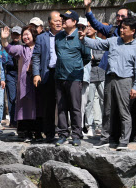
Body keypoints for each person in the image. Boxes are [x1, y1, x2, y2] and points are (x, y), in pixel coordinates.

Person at [81, 17, 136, 150]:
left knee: (124, 111)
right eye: (121, 27)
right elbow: (96, 44)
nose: (121, 30)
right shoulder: (114, 41)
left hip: (125, 80)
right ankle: (105, 138)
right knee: (107, 110)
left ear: (133, 31)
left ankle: (124, 140)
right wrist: (82, 38)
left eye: (124, 28)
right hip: (109, 78)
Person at [53, 10, 91, 146]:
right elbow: (59, 54)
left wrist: (75, 66)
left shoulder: (81, 37)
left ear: (74, 22)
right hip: (59, 76)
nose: (63, 21)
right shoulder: (58, 37)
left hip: (74, 77)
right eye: (63, 18)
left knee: (75, 107)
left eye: (67, 19)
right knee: (61, 106)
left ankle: (76, 134)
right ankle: (63, 133)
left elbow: (86, 57)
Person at [1, 25, 43, 142]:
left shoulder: (40, 47)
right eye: (23, 35)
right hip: (25, 83)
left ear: (33, 35)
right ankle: (27, 132)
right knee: (25, 108)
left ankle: (38, 132)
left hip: (39, 82)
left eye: (27, 34)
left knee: (38, 107)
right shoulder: (21, 49)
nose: (25, 37)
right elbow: (8, 48)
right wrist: (4, 39)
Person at [31, 11, 63, 141]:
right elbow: (36, 57)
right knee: (48, 105)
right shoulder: (41, 37)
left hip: (62, 74)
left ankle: (63, 132)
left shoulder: (65, 36)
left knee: (63, 104)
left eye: (60, 21)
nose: (59, 23)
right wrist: (36, 74)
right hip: (47, 73)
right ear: (49, 23)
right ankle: (49, 133)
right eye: (56, 21)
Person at [82, 22, 105, 137]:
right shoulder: (83, 42)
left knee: (104, 100)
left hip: (101, 74)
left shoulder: (100, 41)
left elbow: (104, 55)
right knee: (89, 102)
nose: (89, 28)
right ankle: (89, 126)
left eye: (91, 26)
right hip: (88, 75)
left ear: (96, 29)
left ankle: (103, 126)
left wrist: (94, 57)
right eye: (87, 27)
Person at [5, 26, 22, 128]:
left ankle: (21, 120)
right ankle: (13, 121)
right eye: (14, 34)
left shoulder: (24, 46)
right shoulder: (7, 47)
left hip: (21, 74)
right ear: (11, 35)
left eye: (18, 34)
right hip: (11, 74)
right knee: (12, 98)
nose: (16, 36)